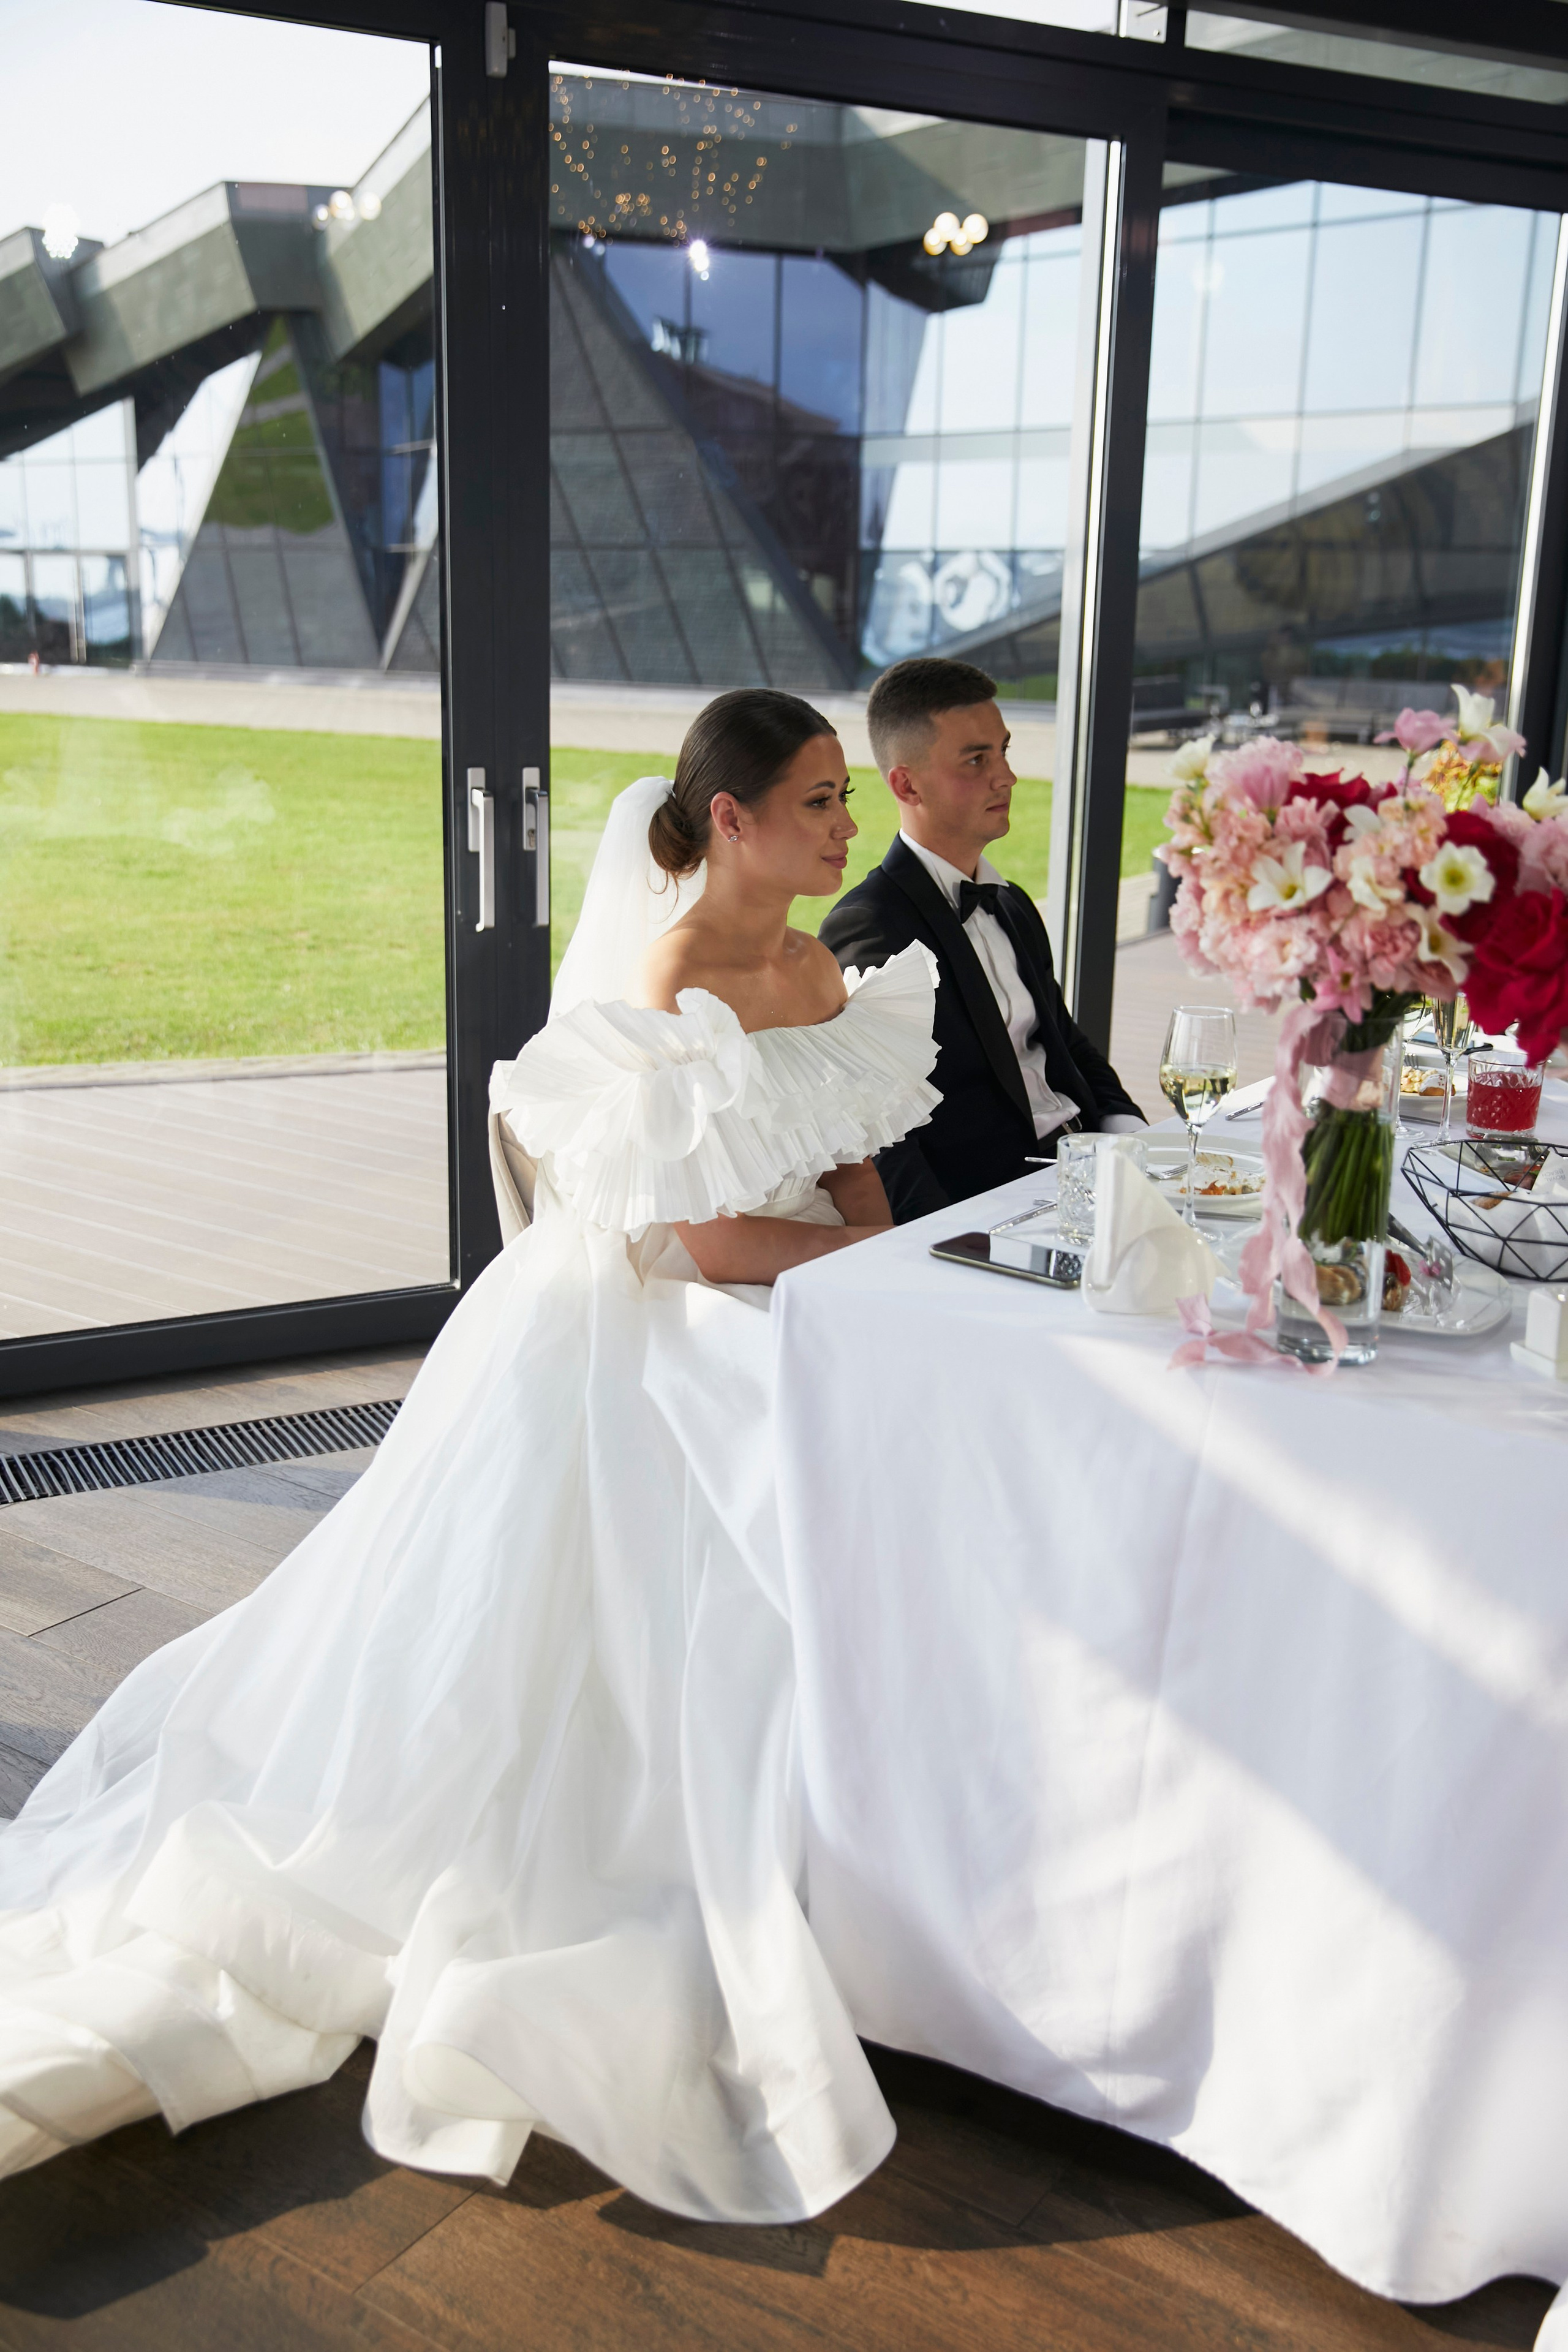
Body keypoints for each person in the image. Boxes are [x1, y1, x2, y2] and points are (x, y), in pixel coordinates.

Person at [0, 690, 940, 2223]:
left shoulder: (820, 961)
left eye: (845, 796)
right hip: (658, 1307)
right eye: (821, 799)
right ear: (731, 818)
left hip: (781, 1286)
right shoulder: (673, 974)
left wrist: (877, 1271)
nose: (845, 827)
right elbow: (687, 1232)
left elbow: (851, 1153)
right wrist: (836, 1275)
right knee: (754, 1459)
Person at [820, 657, 1145, 1223]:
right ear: (906, 783)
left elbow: (1064, 1040)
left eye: (1004, 751)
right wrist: (938, 1241)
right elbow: (879, 1128)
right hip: (997, 1207)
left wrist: (1128, 1130)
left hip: (1093, 1166)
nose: (1007, 777)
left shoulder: (1012, 902)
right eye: (977, 759)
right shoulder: (869, 925)